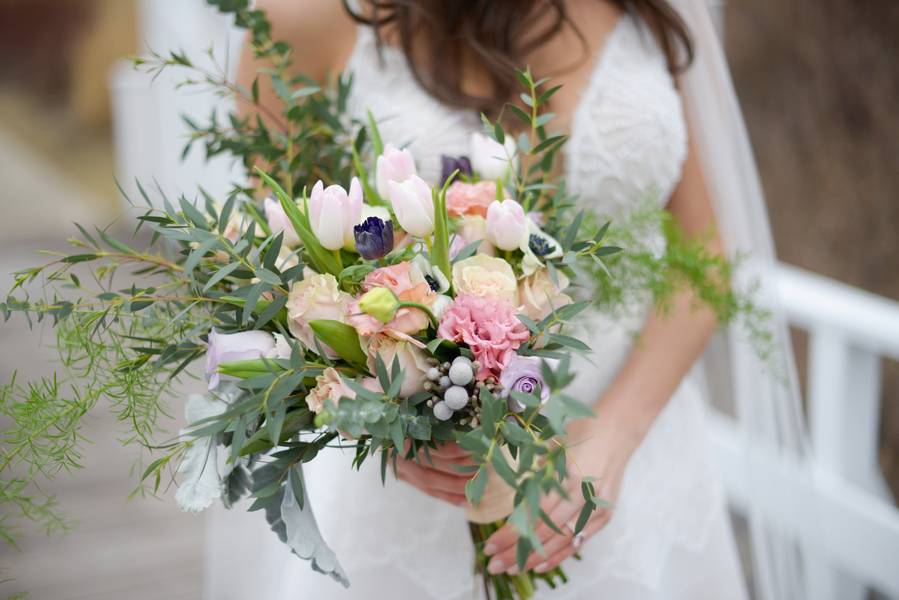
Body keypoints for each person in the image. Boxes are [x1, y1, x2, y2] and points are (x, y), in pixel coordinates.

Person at [204, 1, 803, 598]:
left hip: (637, 449)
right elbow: (287, 275)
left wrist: (609, 443)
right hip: (423, 480)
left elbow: (701, 259)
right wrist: (378, 420)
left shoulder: (653, 12)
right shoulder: (304, 18)